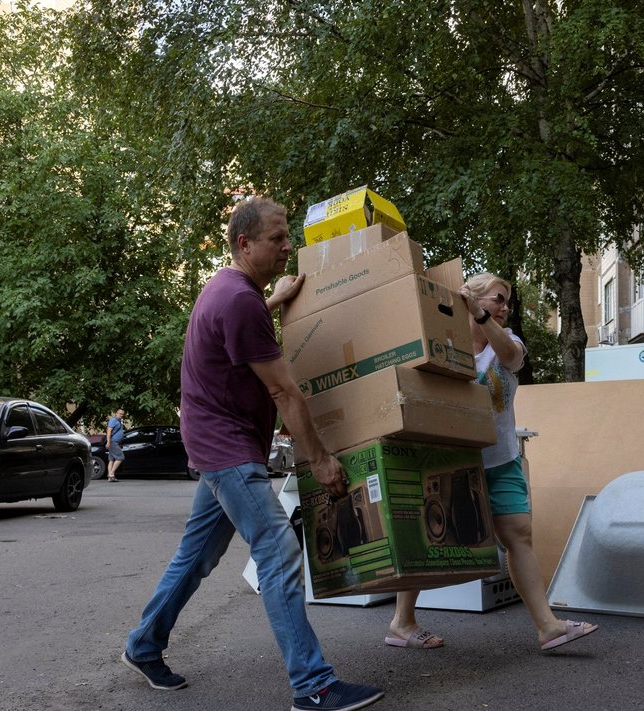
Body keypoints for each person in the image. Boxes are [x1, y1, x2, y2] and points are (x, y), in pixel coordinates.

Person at [120, 197, 385, 711]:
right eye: (277, 239)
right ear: (245, 243)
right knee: (278, 550)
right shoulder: (239, 299)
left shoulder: (229, 290)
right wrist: (321, 461)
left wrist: (274, 298)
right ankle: (313, 686)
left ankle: (143, 644)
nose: (289, 247)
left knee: (199, 554)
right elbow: (287, 394)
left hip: (213, 437)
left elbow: (233, 335)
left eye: (289, 237)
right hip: (227, 445)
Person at [383, 272, 599, 652]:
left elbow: (512, 359)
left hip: (501, 459)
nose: (505, 307)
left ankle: (547, 627)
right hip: (451, 458)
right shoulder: (443, 341)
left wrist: (485, 317)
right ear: (473, 298)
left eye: (507, 302)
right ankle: (402, 622)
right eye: (498, 299)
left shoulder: (508, 341)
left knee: (518, 533)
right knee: (423, 538)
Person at [106, 408, 126, 482]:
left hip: (115, 442)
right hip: (113, 442)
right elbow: (109, 431)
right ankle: (111, 474)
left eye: (122, 414)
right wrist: (108, 442)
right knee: (120, 457)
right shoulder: (113, 420)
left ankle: (110, 477)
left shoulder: (118, 421)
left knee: (111, 459)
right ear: (116, 413)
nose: (121, 415)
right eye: (120, 413)